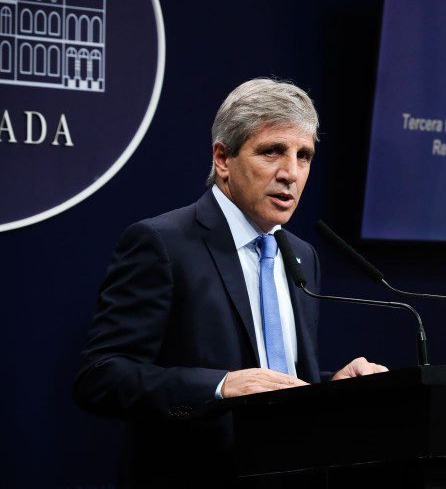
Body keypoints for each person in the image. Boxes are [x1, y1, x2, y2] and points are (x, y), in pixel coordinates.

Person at [73, 78, 387, 485]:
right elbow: (100, 379)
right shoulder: (163, 244)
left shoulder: (301, 255)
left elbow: (275, 379)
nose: (290, 173)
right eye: (272, 151)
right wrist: (219, 387)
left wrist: (331, 388)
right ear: (223, 158)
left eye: (304, 155)